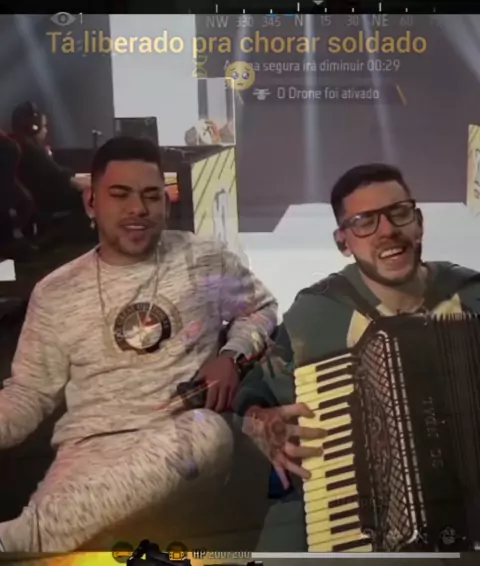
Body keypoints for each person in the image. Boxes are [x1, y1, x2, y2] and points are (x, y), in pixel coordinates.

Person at [0, 135, 279, 551]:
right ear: (91, 203)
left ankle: (22, 540)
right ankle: (34, 538)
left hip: (184, 438)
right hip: (89, 456)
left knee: (207, 433)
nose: (138, 209)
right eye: (120, 195)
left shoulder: (202, 258)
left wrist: (231, 356)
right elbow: (28, 394)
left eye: (151, 196)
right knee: (66, 524)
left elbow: (262, 309)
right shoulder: (55, 292)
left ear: (165, 203)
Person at [236, 163, 480, 506]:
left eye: (399, 213)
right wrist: (258, 423)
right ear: (343, 242)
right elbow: (254, 393)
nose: (387, 231)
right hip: (359, 509)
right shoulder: (317, 312)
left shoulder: (471, 294)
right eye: (364, 222)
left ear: (419, 223)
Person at [10, 101, 88, 223]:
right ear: (33, 128)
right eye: (44, 126)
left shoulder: (18, 147)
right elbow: (60, 177)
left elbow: (58, 174)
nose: (46, 131)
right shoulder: (32, 153)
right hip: (44, 209)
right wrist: (92, 183)